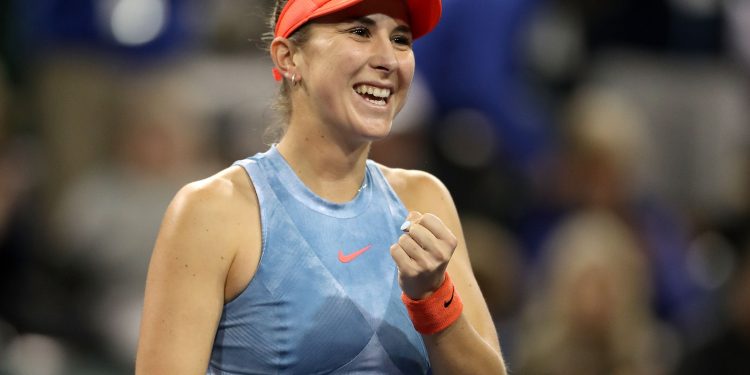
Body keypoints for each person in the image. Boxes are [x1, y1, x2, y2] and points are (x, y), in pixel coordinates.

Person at [135, 0, 506, 374]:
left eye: (400, 39)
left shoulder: (424, 198)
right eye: (360, 32)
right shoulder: (212, 211)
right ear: (288, 57)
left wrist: (433, 301)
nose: (389, 60)